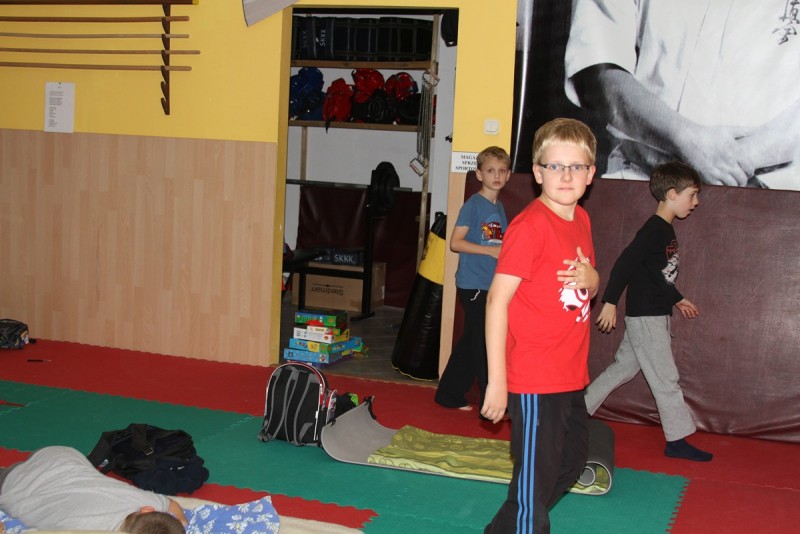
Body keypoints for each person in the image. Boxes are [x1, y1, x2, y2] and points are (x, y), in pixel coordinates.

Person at [481, 118, 600, 533]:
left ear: (590, 173)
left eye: (575, 166)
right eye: (555, 166)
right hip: (535, 377)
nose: (566, 176)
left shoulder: (581, 219)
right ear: (537, 172)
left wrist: (594, 280)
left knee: (569, 464)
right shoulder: (530, 227)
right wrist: (498, 382)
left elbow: (584, 281)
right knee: (534, 489)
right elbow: (497, 301)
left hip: (570, 375)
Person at [564, 0, 800, 191]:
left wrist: (738, 161)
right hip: (645, 180)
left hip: (775, 190)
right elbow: (596, 70)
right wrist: (685, 141)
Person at [585, 161, 712, 462]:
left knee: (623, 368)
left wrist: (678, 298)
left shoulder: (665, 230)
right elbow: (625, 263)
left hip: (651, 313)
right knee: (666, 377)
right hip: (647, 318)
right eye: (692, 195)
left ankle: (576, 410)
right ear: (672, 194)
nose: (695, 202)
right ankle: (676, 441)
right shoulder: (654, 229)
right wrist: (610, 302)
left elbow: (657, 275)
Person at [435, 146, 511, 412]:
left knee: (471, 341)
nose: (496, 176)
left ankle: (449, 394)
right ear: (479, 174)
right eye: (490, 171)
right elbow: (455, 243)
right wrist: (489, 251)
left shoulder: (498, 207)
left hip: (490, 283)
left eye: (501, 171)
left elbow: (500, 243)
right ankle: (494, 404)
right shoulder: (473, 205)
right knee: (484, 341)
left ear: (508, 175)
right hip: (473, 285)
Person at [0, 446, 187, 533]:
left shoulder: (145, 504)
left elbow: (170, 505)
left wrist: (182, 520)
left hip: (59, 456)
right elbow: (170, 504)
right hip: (18, 486)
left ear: (146, 510)